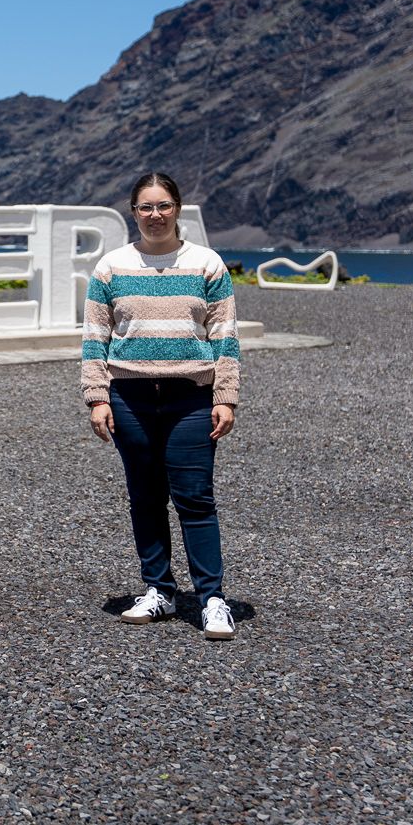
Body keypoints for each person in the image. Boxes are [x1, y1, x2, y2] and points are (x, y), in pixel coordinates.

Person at [81, 172, 240, 640]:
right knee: (146, 498)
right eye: (146, 207)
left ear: (178, 208)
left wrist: (225, 398)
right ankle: (159, 591)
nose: (155, 215)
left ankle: (212, 599)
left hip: (190, 397)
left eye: (163, 205)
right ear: (134, 213)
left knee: (194, 497)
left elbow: (226, 337)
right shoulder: (110, 268)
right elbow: (94, 339)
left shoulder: (207, 264)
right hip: (129, 397)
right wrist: (97, 398)